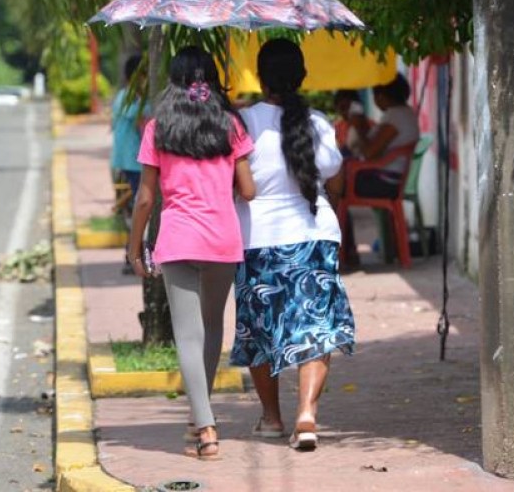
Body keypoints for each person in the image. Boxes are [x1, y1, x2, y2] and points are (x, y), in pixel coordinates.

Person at [127, 46, 255, 460]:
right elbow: (248, 190)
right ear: (211, 77)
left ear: (175, 80)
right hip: (222, 237)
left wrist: (134, 247)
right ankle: (202, 416)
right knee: (212, 326)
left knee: (186, 333)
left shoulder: (158, 127)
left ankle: (205, 426)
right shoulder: (231, 124)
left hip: (179, 238)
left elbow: (146, 198)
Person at [230, 38, 355, 451]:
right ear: (301, 76)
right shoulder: (318, 123)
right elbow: (335, 180)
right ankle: (307, 414)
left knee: (259, 330)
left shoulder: (243, 123)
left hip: (257, 240)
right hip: (314, 235)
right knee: (315, 328)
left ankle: (271, 419)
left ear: (260, 77)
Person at [336, 73, 420, 264]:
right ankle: (347, 251)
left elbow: (370, 152)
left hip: (384, 182)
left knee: (334, 188)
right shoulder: (401, 113)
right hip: (386, 178)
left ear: (382, 96)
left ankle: (346, 253)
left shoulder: (395, 116)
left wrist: (357, 125)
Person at [111, 55, 149, 274]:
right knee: (141, 205)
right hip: (132, 160)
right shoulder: (128, 98)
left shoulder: (131, 97)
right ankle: (132, 254)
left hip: (133, 159)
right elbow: (146, 114)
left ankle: (133, 252)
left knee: (139, 205)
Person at [333, 89, 372, 158]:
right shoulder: (335, 128)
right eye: (342, 108)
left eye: (349, 107)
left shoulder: (371, 125)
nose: (346, 112)